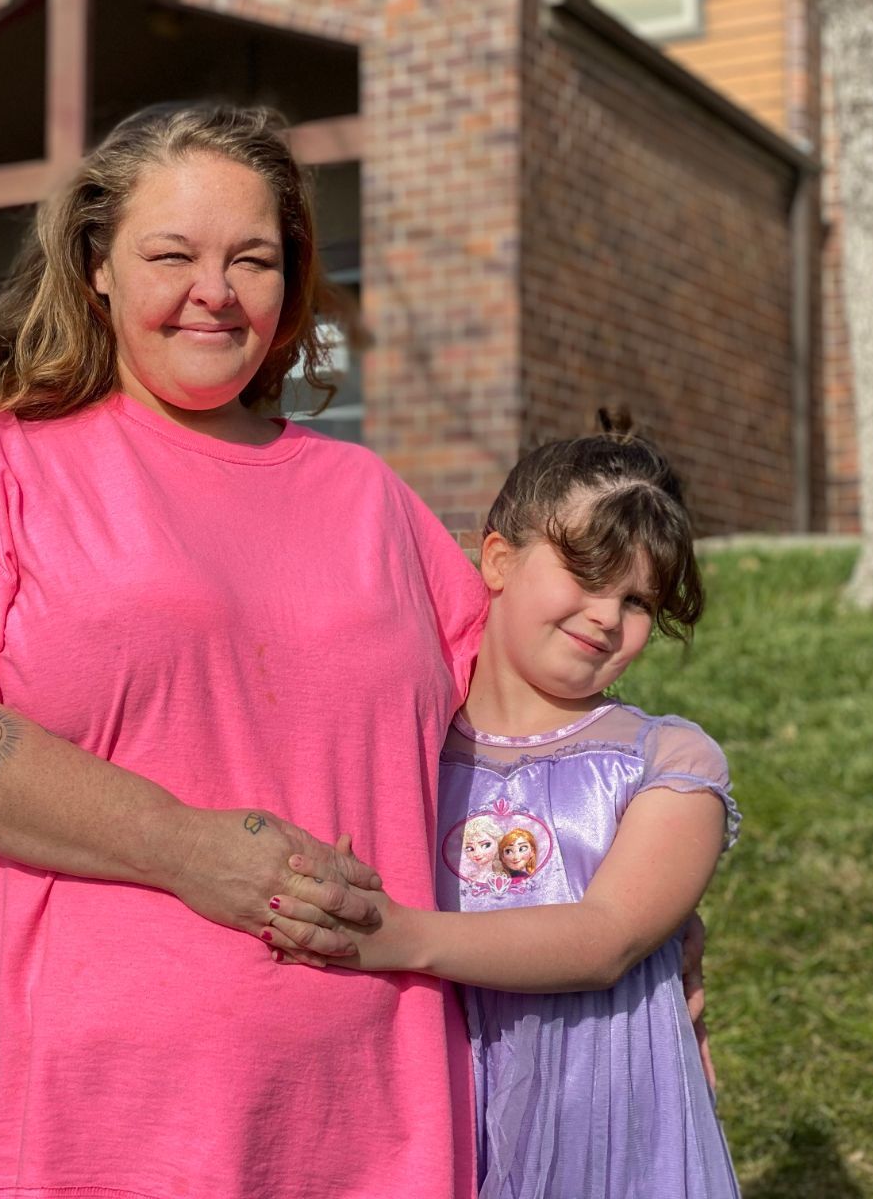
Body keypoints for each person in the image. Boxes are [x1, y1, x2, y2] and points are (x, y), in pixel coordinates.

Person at [0, 102, 489, 1197]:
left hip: (359, 1125)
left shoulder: (371, 500)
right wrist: (186, 849)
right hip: (59, 1129)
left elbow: (511, 744)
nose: (213, 290)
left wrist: (622, 910)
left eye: (251, 258)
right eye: (172, 254)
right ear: (97, 266)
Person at [269, 429, 741, 1198]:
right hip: (429, 1112)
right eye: (586, 573)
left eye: (637, 600)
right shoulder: (403, 752)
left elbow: (605, 939)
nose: (607, 615)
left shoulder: (670, 762)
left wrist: (400, 936)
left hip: (607, 1131)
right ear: (496, 559)